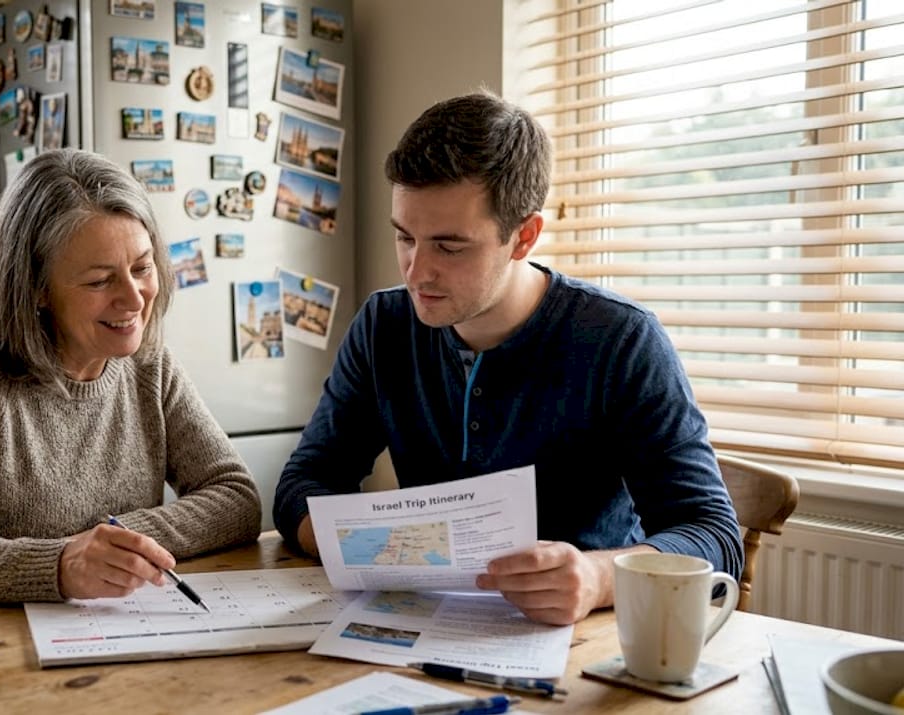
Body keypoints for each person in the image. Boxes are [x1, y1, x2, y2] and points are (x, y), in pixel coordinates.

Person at [273, 90, 743, 626]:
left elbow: (714, 534)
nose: (416, 271)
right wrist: (377, 549)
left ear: (524, 237)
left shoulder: (622, 340)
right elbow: (301, 486)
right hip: (423, 624)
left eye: (449, 247)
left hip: (584, 637)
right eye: (405, 236)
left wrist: (596, 577)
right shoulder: (384, 325)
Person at [0, 148, 262, 603]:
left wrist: (115, 542)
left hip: (113, 640)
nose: (134, 299)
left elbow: (236, 499)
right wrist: (57, 565)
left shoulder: (148, 365)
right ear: (37, 288)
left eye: (142, 268)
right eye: (100, 281)